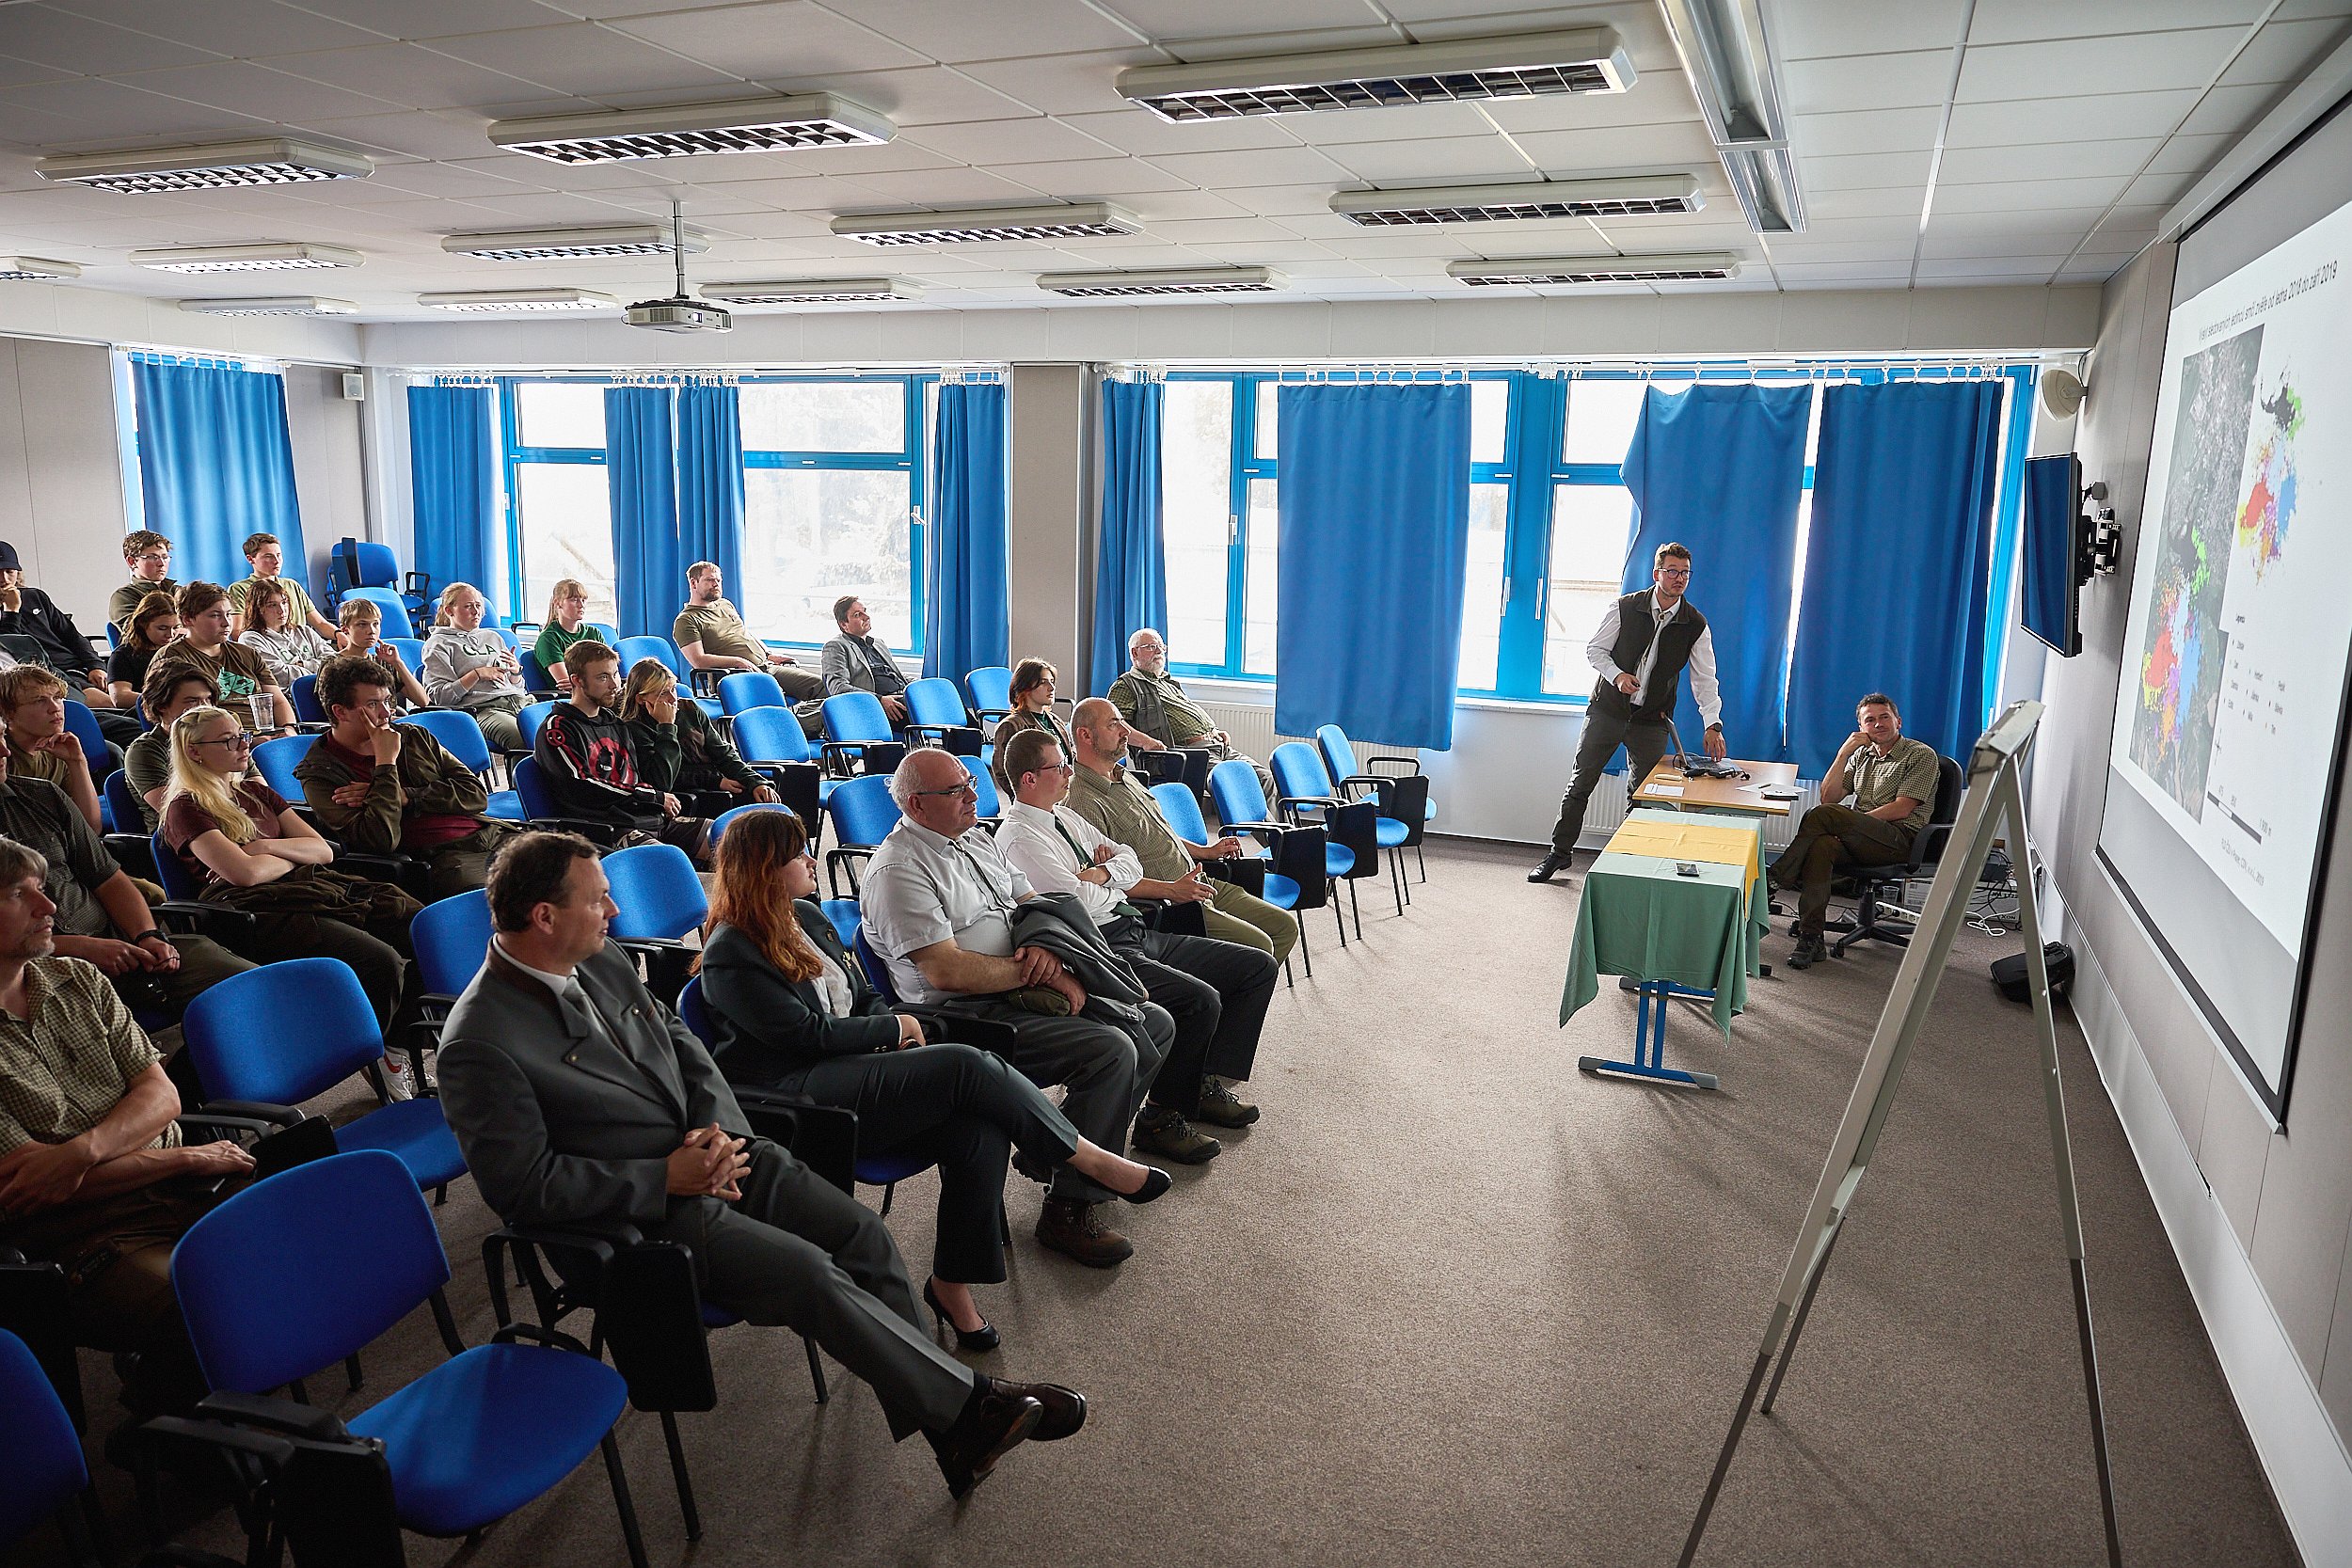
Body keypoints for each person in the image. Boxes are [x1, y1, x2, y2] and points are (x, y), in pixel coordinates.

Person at [436, 832, 1087, 1497]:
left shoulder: (597, 957)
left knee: (864, 1235)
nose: (616, 910)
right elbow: (524, 1188)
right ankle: (968, 1411)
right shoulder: (479, 1042)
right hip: (636, 1217)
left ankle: (955, 1423)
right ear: (545, 916)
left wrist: (717, 1131)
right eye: (599, 898)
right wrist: (667, 1176)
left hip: (718, 1150)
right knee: (811, 1273)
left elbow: (683, 1045)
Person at [696, 810, 1170, 1349]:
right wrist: (894, 1027)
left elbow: (862, 993)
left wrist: (891, 1030)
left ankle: (951, 1286)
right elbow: (802, 1035)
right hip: (800, 1094)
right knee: (964, 1063)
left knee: (977, 1126)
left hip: (856, 1067)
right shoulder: (730, 950)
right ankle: (1083, 1156)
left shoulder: (805, 915)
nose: (811, 860)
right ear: (764, 871)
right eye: (796, 855)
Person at [862, 747, 1174, 1268]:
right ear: (916, 805)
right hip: (962, 1015)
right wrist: (1038, 972)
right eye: (956, 790)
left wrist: (1050, 952)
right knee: (1111, 1049)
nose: (974, 795)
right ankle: (1068, 1210)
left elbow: (1031, 900)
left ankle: (1050, 1144)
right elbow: (945, 971)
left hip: (1017, 986)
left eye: (970, 782)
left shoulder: (974, 837)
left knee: (1155, 1023)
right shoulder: (899, 869)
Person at [0, 836, 255, 1423]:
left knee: (295, 1229)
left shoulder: (77, 980)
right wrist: (182, 1158)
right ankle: (168, 1434)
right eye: (18, 894)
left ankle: (221, 1396)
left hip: (182, 1187)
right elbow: (35, 1187)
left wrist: (82, 1150)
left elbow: (162, 1097)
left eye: (42, 889)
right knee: (203, 1302)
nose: (49, 907)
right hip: (84, 1234)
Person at [996, 726, 1278, 1145]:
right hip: (1100, 947)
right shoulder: (1020, 837)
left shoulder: (1063, 816)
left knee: (1257, 967)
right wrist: (1109, 880)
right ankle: (1159, 1118)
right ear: (1029, 779)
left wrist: (1101, 873)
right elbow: (1075, 903)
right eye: (1059, 767)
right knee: (1200, 1000)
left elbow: (1129, 859)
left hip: (1135, 927)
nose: (1070, 772)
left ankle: (1199, 1083)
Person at [159, 705, 419, 1072]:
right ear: (194, 751)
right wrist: (287, 856)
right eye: (229, 740)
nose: (243, 745)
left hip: (304, 887)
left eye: (243, 735)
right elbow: (244, 874)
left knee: (416, 926)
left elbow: (323, 850)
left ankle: (395, 1044)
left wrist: (263, 847)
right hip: (254, 909)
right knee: (380, 961)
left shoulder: (255, 791)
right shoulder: (186, 808)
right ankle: (366, 1053)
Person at [1529, 541, 1728, 883]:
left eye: (1685, 573)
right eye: (1672, 571)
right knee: (1580, 784)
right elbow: (1595, 650)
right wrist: (1618, 676)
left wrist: (1713, 723)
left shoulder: (1695, 624)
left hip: (1652, 720)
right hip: (1607, 711)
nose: (1679, 578)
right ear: (1656, 574)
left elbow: (1705, 679)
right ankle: (1559, 854)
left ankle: (1625, 865)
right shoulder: (1625, 607)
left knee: (1644, 795)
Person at [0, 747, 249, 1019]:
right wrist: (79, 947)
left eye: (1, 736)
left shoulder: (41, 796)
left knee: (255, 986)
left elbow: (107, 877)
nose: (5, 751)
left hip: (120, 943)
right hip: (35, 970)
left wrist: (147, 935)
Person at [1064, 698, 1299, 962]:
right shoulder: (1082, 802)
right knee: (1260, 947)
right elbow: (1106, 882)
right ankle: (1234, 983)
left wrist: (1205, 852)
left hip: (1198, 883)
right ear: (1085, 735)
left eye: (1121, 723)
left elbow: (1158, 833)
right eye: (1113, 725)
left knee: (1285, 927)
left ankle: (1239, 984)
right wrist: (1172, 890)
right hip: (1171, 904)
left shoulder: (1123, 776)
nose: (1125, 731)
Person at [296, 656, 522, 901]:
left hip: (490, 834)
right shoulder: (320, 773)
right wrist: (385, 763)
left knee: (554, 865)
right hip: (442, 859)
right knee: (515, 898)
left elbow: (475, 795)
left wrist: (406, 796)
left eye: (387, 701)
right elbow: (381, 841)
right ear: (340, 712)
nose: (386, 713)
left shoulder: (413, 737)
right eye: (372, 704)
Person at [1769, 693, 1943, 971]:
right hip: (1860, 838)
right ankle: (1811, 938)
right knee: (1822, 846)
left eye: (1885, 717)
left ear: (1898, 721)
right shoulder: (1861, 755)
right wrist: (1843, 754)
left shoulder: (1920, 755)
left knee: (1825, 816)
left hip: (1900, 840)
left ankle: (1777, 877)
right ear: (1861, 727)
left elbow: (1902, 808)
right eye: (1870, 720)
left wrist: (1849, 825)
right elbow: (1829, 797)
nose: (1878, 724)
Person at [535, 641, 711, 863]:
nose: (614, 685)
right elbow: (584, 786)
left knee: (731, 838)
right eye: (603, 677)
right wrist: (654, 797)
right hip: (607, 829)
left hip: (647, 818)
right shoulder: (558, 729)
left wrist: (666, 728)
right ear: (577, 681)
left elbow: (641, 779)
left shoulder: (615, 723)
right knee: (667, 863)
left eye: (615, 674)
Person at [0, 540, 140, 744]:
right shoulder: (12, 610)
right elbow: (11, 651)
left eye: (9, 572)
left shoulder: (35, 597)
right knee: (121, 712)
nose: (4, 579)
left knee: (135, 706)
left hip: (76, 670)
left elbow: (73, 636)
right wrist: (12, 611)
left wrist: (95, 665)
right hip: (46, 677)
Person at [1106, 627, 1274, 797]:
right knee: (1237, 784)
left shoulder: (1168, 682)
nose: (1158, 651)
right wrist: (1146, 741)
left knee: (1265, 778)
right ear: (1135, 653)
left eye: (1161, 647)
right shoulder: (1127, 685)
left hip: (1217, 745)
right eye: (1151, 647)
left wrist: (1214, 731)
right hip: (1187, 755)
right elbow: (1115, 723)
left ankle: (1271, 816)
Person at [617, 657, 777, 817]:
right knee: (753, 812)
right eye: (663, 693)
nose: (673, 699)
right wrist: (666, 726)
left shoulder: (689, 709)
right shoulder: (633, 729)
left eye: (673, 689)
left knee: (768, 797)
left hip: (714, 782)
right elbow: (662, 781)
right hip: (687, 795)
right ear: (641, 699)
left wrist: (754, 782)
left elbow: (723, 753)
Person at [149, 583, 292, 735]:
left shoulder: (247, 654)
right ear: (187, 619)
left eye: (229, 614)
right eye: (215, 615)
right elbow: (173, 718)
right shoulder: (172, 658)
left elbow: (277, 701)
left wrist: (289, 729)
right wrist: (240, 739)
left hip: (265, 736)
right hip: (214, 739)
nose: (226, 623)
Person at [674, 561, 822, 700]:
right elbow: (699, 661)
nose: (716, 584)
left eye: (718, 580)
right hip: (738, 677)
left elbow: (745, 632)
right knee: (817, 689)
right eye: (710, 580)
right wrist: (739, 662)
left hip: (765, 667)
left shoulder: (725, 604)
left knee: (823, 686)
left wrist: (769, 654)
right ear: (693, 583)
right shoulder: (686, 620)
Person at [421, 582, 529, 752]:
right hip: (482, 709)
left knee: (560, 729)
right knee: (524, 739)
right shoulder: (438, 644)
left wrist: (515, 672)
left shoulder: (493, 637)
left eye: (478, 605)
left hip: (518, 701)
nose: (476, 611)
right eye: (468, 606)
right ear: (449, 611)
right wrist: (476, 675)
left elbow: (516, 685)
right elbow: (440, 697)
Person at [2, 665, 105, 832]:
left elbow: (90, 828)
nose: (55, 708)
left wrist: (77, 762)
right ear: (8, 712)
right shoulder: (4, 755)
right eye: (39, 700)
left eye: (57, 697)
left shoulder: (58, 750)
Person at [123, 666, 215, 832]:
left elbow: (260, 795)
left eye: (208, 699)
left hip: (239, 825)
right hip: (185, 836)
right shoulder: (145, 751)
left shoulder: (227, 739)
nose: (205, 708)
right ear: (161, 706)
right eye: (192, 701)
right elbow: (181, 814)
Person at [223, 532, 337, 642]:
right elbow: (237, 633)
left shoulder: (292, 585)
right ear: (250, 559)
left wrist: (339, 634)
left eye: (279, 555)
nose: (276, 561)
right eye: (268, 556)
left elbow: (320, 624)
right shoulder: (239, 589)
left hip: (302, 648)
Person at [988, 657, 1074, 796]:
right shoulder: (1011, 726)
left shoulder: (1055, 721)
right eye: (1043, 683)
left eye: (1052, 681)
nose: (1051, 688)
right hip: (1036, 798)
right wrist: (1026, 798)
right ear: (1025, 687)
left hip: (1064, 791)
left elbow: (1071, 759)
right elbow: (1003, 773)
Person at [819, 595, 910, 722]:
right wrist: (879, 700)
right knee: (926, 711)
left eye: (865, 611)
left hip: (901, 696)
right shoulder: (836, 646)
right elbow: (838, 688)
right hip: (876, 708)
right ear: (844, 624)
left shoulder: (878, 643)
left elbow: (895, 675)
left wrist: (918, 684)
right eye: (857, 615)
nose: (867, 617)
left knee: (934, 696)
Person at [237, 578, 338, 692]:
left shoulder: (304, 631)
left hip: (326, 690)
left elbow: (333, 661)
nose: (281, 610)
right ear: (258, 609)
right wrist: (319, 672)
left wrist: (304, 665)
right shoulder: (250, 639)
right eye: (272, 605)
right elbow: (279, 675)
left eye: (284, 602)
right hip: (288, 697)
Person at [335, 597, 428, 710]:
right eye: (362, 624)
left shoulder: (383, 663)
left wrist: (398, 663)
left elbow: (422, 701)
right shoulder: (333, 664)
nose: (371, 631)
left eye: (375, 624)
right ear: (345, 630)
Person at [106, 592, 180, 709]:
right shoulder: (123, 655)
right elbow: (120, 698)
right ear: (142, 624)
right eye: (162, 628)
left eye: (176, 627)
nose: (170, 634)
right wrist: (167, 701)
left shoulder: (182, 649)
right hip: (148, 712)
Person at [532, 578, 604, 696]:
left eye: (583, 600)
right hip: (572, 699)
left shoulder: (594, 633)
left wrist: (584, 681)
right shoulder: (548, 638)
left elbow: (610, 672)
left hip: (598, 693)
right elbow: (568, 684)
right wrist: (599, 679)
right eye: (574, 600)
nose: (581, 605)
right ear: (558, 603)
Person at [108, 531, 180, 636]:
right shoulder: (124, 597)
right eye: (152, 557)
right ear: (132, 561)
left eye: (165, 557)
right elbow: (138, 633)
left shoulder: (180, 592)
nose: (161, 563)